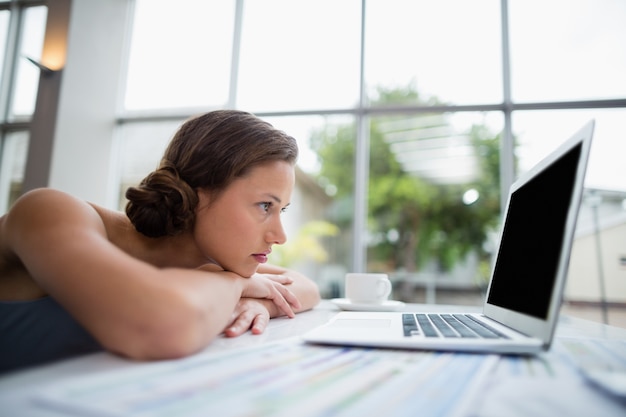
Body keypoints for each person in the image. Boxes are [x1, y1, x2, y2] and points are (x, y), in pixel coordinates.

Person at [0, 110, 321, 373]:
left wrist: (258, 302)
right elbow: (163, 327)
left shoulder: (211, 260)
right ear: (199, 196)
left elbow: (305, 287)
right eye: (266, 206)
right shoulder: (46, 212)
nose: (279, 236)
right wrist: (236, 287)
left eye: (282, 210)